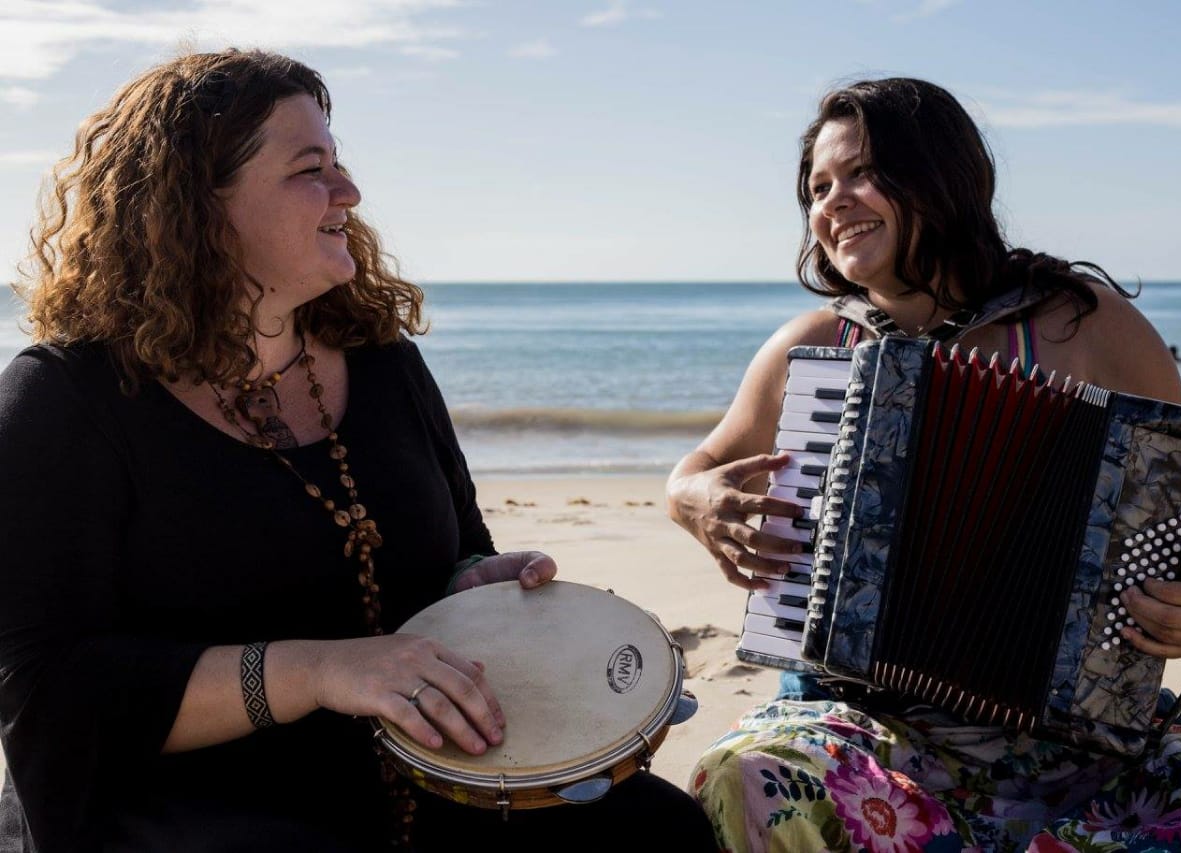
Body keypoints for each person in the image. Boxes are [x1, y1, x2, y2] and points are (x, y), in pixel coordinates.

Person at [0, 48, 718, 853]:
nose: (350, 191)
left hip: (418, 777)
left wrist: (469, 586)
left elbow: (459, 547)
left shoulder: (380, 361)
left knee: (659, 828)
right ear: (197, 206)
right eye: (312, 169)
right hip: (187, 806)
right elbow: (52, 697)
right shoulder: (64, 399)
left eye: (339, 162)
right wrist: (318, 671)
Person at [666, 77, 1181, 850]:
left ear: (941, 176)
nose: (833, 203)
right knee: (745, 779)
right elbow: (700, 467)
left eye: (860, 173)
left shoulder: (1089, 326)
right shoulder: (817, 348)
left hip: (1071, 738)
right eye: (818, 188)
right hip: (866, 722)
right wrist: (694, 499)